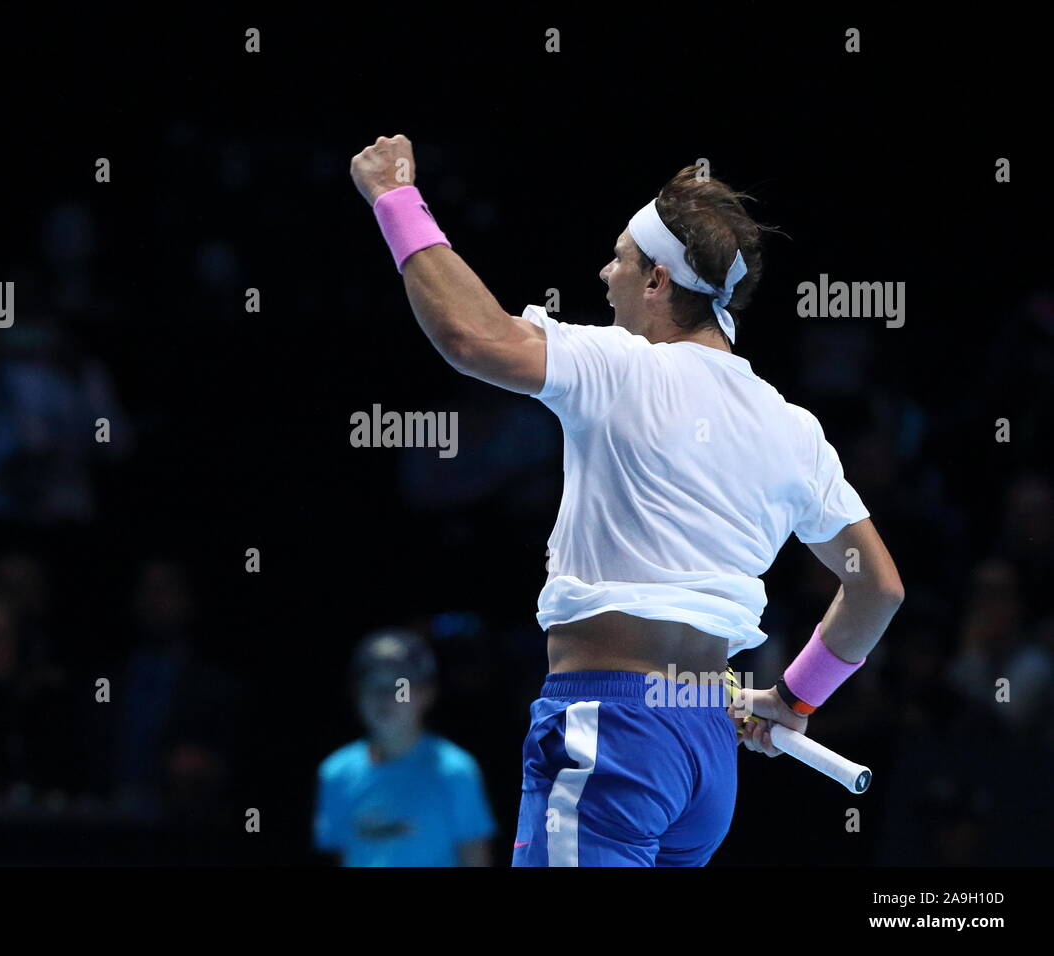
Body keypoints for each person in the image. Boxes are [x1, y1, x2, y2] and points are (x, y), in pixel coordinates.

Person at [350, 135, 904, 866]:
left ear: (657, 282)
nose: (604, 272)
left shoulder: (620, 366)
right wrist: (795, 699)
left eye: (620, 258)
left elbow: (469, 335)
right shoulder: (793, 428)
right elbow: (879, 589)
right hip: (705, 753)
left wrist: (395, 198)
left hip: (614, 731)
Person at [313, 629, 495, 866]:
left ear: (427, 693)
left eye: (399, 685)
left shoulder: (455, 771)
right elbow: (342, 854)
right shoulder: (334, 773)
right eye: (373, 684)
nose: (385, 697)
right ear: (356, 695)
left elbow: (475, 858)